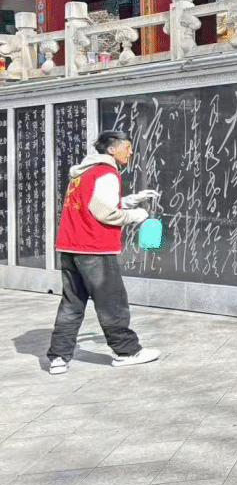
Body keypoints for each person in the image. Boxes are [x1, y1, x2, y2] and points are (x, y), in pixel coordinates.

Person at [46, 130, 162, 374]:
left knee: (72, 303)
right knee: (111, 302)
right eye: (126, 147)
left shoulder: (83, 173)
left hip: (70, 247)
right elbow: (104, 213)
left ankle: (58, 357)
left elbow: (94, 204)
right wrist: (136, 215)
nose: (130, 152)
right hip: (94, 249)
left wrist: (131, 200)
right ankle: (127, 352)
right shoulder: (107, 173)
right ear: (111, 149)